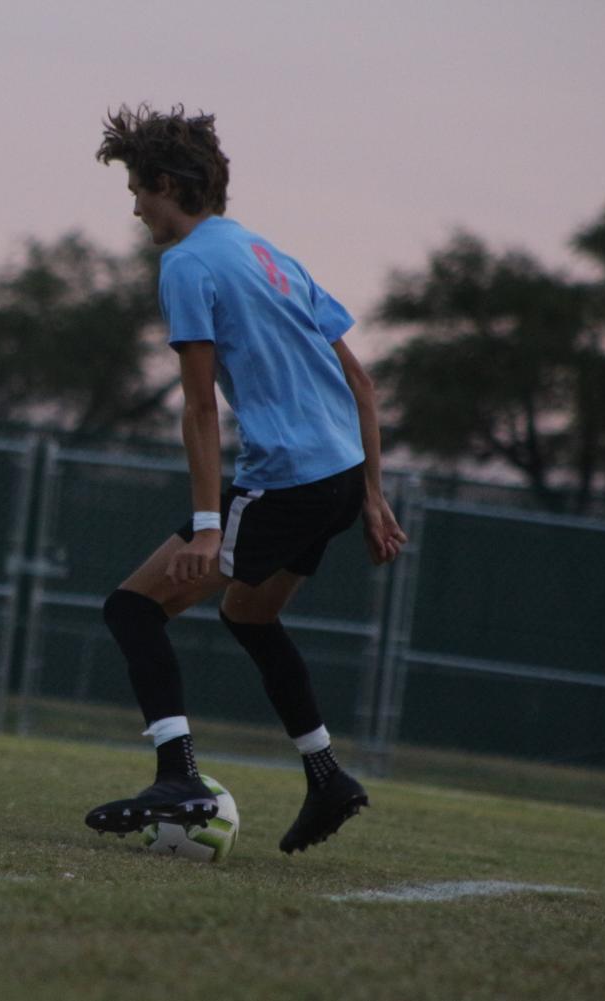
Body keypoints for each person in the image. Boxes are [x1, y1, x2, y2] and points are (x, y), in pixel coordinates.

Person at [83, 105, 409, 854]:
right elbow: (359, 383)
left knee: (131, 609)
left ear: (166, 184)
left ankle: (179, 776)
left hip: (287, 480)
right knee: (249, 614)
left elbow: (198, 407)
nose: (134, 208)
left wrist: (206, 525)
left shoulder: (186, 264)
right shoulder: (270, 254)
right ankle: (325, 774)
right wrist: (370, 495)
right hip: (336, 477)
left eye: (137, 189)